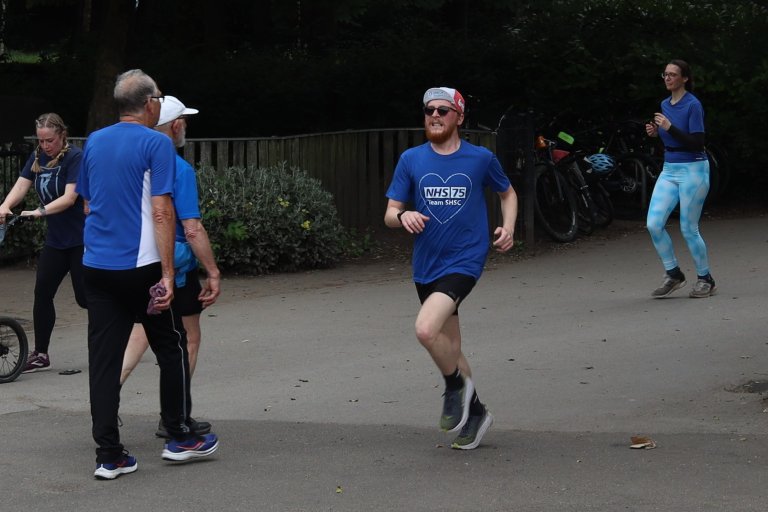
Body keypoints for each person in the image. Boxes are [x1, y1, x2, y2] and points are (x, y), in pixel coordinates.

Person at [77, 69, 218, 480]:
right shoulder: (156, 142)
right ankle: (179, 435)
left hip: (96, 266)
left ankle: (109, 454)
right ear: (150, 103)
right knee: (171, 345)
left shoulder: (94, 142)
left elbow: (87, 203)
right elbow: (162, 211)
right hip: (141, 266)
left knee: (103, 362)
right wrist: (169, 275)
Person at [384, 87, 518, 450]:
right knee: (451, 348)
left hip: (465, 259)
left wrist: (508, 226)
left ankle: (454, 387)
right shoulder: (411, 159)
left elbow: (507, 193)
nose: (434, 115)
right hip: (426, 264)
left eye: (443, 110)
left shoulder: (480, 158)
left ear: (459, 117)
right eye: (429, 110)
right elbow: (390, 214)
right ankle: (476, 413)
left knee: (426, 330)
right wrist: (404, 214)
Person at [120, 95, 221, 439]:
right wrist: (213, 270)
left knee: (141, 329)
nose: (186, 128)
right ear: (175, 126)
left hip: (136, 256)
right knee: (188, 337)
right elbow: (192, 228)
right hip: (175, 262)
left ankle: (107, 395)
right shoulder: (179, 168)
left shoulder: (135, 160)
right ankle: (175, 415)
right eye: (185, 122)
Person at [0, 113, 86, 373]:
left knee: (85, 298)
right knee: (42, 293)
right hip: (57, 241)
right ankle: (41, 353)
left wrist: (40, 211)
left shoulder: (75, 158)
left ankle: (122, 327)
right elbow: (22, 185)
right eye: (41, 141)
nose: (45, 145)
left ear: (62, 135)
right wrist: (4, 205)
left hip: (82, 239)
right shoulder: (38, 157)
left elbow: (70, 198)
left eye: (50, 140)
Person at [645, 59, 716, 299]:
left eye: (673, 75)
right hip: (670, 169)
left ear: (684, 78)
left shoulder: (692, 105)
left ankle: (705, 278)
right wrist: (657, 132)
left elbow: (697, 142)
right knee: (653, 224)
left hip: (694, 170)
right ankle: (673, 273)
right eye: (665, 74)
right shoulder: (665, 104)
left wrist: (669, 127)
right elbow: (672, 138)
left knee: (688, 228)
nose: (667, 78)